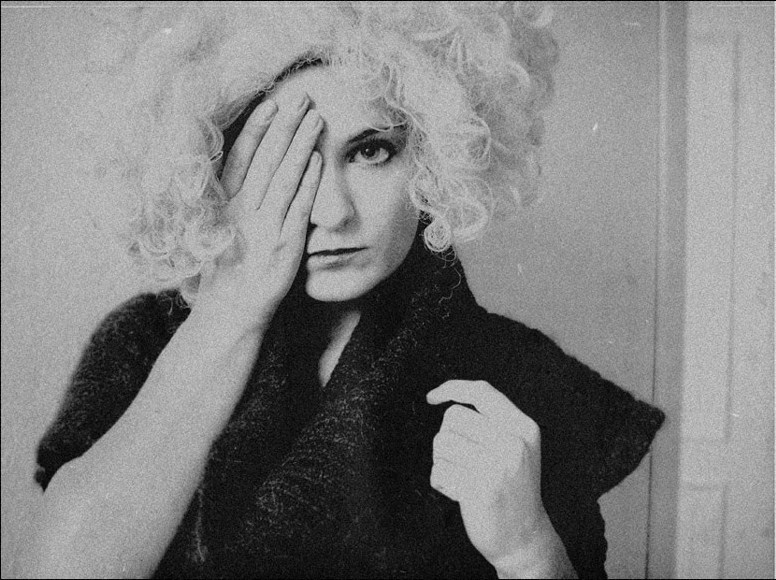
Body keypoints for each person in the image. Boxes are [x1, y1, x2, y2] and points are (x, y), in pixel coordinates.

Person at [22, 2, 664, 579]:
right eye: (280, 158)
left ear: (437, 157)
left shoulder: (521, 374)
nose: (331, 212)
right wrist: (232, 309)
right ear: (210, 165)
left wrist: (529, 552)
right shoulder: (142, 343)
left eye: (371, 151)